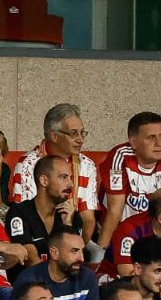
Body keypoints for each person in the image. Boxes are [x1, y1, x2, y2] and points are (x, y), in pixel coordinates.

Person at [8, 103, 101, 244]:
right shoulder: (27, 164)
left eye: (82, 132)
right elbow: (26, 215)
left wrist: (77, 248)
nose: (81, 139)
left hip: (75, 236)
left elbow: (88, 219)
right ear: (54, 136)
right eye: (73, 133)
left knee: (98, 255)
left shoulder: (87, 165)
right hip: (36, 240)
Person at [98, 111, 161, 251]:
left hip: (156, 235)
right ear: (133, 142)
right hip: (121, 233)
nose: (159, 144)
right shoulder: (120, 157)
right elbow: (115, 211)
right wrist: (100, 254)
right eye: (151, 138)